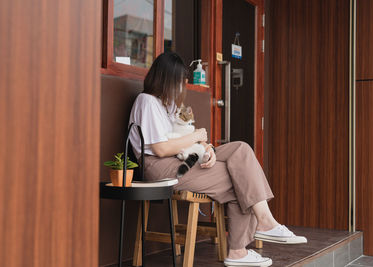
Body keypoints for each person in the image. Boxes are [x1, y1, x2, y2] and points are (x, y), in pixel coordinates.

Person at [128, 52, 307, 267]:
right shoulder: (146, 101)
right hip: (159, 167)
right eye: (178, 82)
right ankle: (242, 247)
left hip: (183, 158)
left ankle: (262, 226)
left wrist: (207, 147)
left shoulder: (168, 106)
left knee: (241, 149)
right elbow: (161, 148)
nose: (181, 88)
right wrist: (197, 137)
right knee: (240, 180)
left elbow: (182, 137)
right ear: (166, 79)